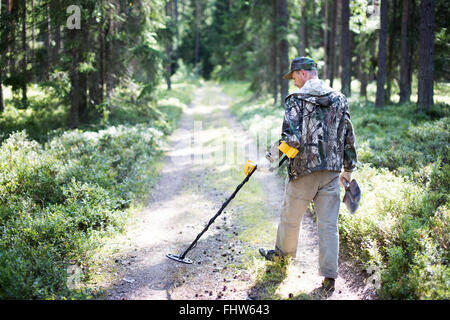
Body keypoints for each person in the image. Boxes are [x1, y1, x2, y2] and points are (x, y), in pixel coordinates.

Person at [259, 57, 357, 292]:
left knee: (290, 219)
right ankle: (329, 276)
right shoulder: (339, 99)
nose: (293, 82)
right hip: (332, 173)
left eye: (294, 77)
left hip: (303, 171)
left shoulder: (296, 100)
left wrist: (270, 159)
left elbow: (290, 139)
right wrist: (348, 169)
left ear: (303, 73)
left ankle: (282, 259)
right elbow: (348, 135)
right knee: (328, 225)